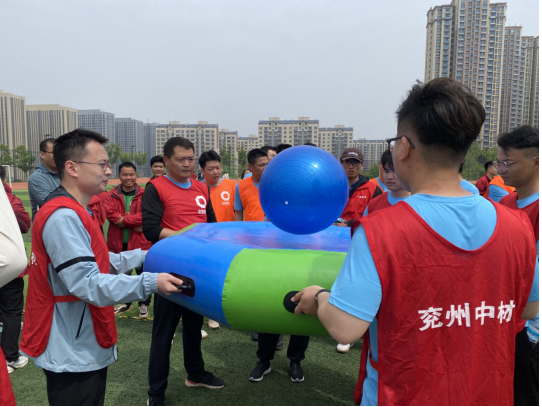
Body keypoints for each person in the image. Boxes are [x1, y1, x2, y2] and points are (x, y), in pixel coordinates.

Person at [292, 78, 538, 406]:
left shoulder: (380, 230)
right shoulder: (518, 225)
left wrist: (319, 296)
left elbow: (345, 328)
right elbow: (529, 307)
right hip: (486, 394)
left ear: (404, 147)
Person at [19, 129, 182, 406]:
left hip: (79, 336)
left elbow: (100, 260)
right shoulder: (64, 216)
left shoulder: (75, 210)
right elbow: (87, 282)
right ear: (72, 168)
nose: (108, 171)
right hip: (71, 345)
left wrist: (145, 255)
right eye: (101, 164)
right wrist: (151, 283)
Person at [142, 137, 224, 406]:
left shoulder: (201, 188)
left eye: (191, 159)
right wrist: (187, 236)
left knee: (193, 327)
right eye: (181, 159)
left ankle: (195, 374)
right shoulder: (156, 187)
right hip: (168, 272)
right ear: (166, 161)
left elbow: (211, 226)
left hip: (197, 272)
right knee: (164, 334)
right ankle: (156, 393)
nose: (188, 164)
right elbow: (151, 229)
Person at [494, 125, 539, 406]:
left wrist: (533, 332)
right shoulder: (506, 202)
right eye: (499, 162)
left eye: (508, 163)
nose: (501, 170)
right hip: (504, 320)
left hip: (529, 330)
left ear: (536, 161)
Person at [105, 162, 152, 319]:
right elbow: (110, 214)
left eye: (131, 174)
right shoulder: (111, 194)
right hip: (118, 243)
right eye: (125, 175)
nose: (128, 178)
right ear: (119, 176)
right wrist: (133, 223)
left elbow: (146, 214)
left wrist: (125, 221)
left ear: (136, 175)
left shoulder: (145, 194)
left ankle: (144, 304)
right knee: (121, 277)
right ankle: (126, 303)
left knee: (142, 275)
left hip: (140, 243)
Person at [199, 150, 238, 330]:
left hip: (229, 241)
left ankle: (226, 311)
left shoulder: (233, 186)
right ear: (202, 170)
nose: (215, 172)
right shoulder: (198, 188)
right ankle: (210, 313)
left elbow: (238, 213)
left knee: (227, 277)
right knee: (207, 277)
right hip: (205, 241)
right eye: (211, 168)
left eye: (218, 167)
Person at [0, 165, 30, 374]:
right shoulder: (9, 200)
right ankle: (10, 357)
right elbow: (25, 224)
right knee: (11, 312)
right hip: (9, 266)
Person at [335, 147, 382, 227]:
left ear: (362, 165)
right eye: (347, 162)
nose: (351, 166)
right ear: (341, 164)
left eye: (355, 162)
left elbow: (376, 218)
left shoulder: (373, 190)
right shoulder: (332, 188)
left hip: (361, 232)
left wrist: (349, 224)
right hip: (334, 232)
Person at [363, 149, 411, 216]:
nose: (389, 177)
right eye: (386, 171)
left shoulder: (420, 205)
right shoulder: (374, 204)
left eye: (394, 171)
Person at [28, 137, 60, 220]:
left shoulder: (66, 174)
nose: (59, 156)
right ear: (42, 154)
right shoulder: (37, 177)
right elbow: (53, 204)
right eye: (54, 152)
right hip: (48, 224)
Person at [234, 149, 268, 222]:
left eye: (267, 164)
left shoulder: (275, 184)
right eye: (261, 165)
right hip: (250, 228)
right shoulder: (241, 186)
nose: (266, 167)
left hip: (271, 228)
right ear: (250, 166)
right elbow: (238, 213)